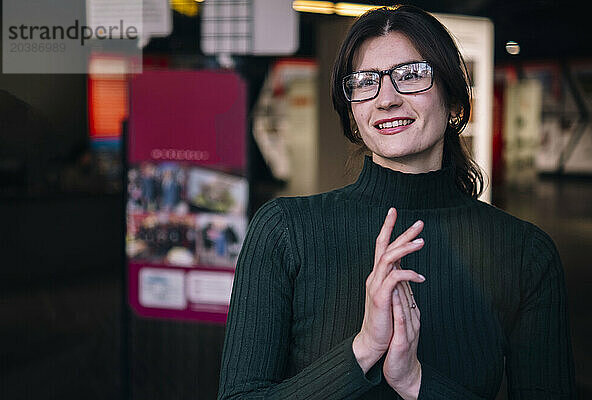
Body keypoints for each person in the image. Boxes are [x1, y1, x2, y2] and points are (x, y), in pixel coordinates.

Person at [218, 5, 576, 399]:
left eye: (410, 75)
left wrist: (416, 381)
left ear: (455, 103)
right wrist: (362, 351)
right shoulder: (284, 230)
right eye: (364, 82)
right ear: (353, 114)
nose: (385, 98)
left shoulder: (525, 253)